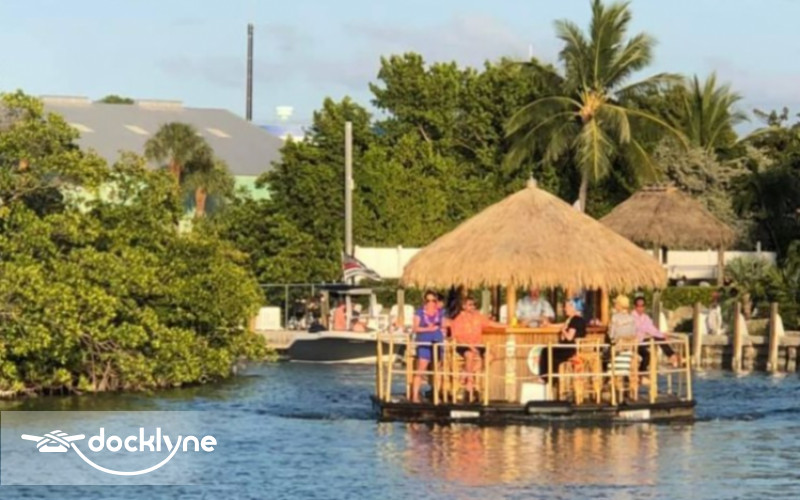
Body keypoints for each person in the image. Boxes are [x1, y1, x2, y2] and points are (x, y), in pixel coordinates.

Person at [449, 296, 504, 397]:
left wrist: (506, 325)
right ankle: (469, 384)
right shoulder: (458, 319)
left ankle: (465, 373)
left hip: (477, 344)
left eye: (474, 305)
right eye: (470, 305)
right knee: (469, 355)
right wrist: (471, 347)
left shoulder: (478, 316)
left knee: (491, 356)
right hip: (463, 345)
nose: (473, 307)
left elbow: (490, 323)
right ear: (464, 306)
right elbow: (457, 337)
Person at [539, 299, 586, 381]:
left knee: (546, 351)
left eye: (567, 307)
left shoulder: (575, 320)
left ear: (573, 308)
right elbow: (562, 325)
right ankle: (551, 378)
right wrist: (548, 325)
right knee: (549, 351)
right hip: (570, 348)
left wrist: (563, 330)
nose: (565, 309)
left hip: (569, 349)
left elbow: (569, 337)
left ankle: (547, 378)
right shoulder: (575, 319)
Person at [411, 290, 445, 402]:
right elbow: (415, 328)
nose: (431, 303)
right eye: (428, 300)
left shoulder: (441, 312)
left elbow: (444, 326)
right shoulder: (420, 312)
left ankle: (436, 395)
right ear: (424, 301)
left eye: (433, 300)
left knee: (437, 370)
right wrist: (427, 329)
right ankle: (415, 396)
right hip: (424, 342)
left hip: (437, 342)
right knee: (421, 369)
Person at [632, 297, 678, 375]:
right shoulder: (632, 317)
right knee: (647, 355)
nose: (640, 308)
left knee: (657, 338)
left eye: (642, 306)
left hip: (642, 340)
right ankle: (641, 374)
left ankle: (671, 355)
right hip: (633, 342)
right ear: (635, 306)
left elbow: (652, 329)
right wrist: (659, 335)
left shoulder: (645, 317)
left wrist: (662, 335)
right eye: (638, 306)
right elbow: (644, 328)